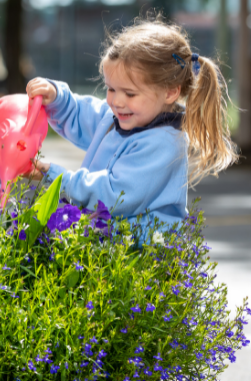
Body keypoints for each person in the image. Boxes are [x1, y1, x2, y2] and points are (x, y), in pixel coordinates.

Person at [26, 16, 238, 232]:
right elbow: (80, 114)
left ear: (170, 92)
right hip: (110, 249)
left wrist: (56, 177)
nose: (116, 101)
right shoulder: (119, 117)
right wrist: (56, 97)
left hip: (138, 256)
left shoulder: (163, 143)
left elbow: (113, 194)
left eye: (130, 93)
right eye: (111, 89)